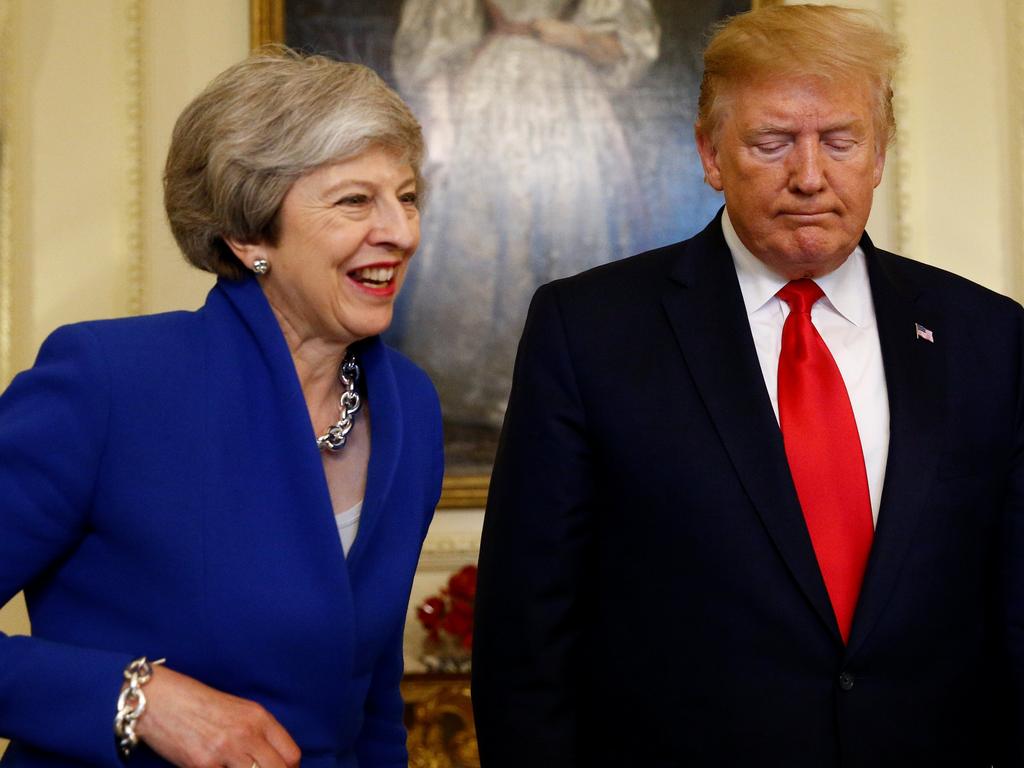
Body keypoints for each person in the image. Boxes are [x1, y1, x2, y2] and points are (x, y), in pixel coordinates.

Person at [472, 5, 1024, 766]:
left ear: (880, 153)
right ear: (709, 153)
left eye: (840, 141)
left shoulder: (988, 337)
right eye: (772, 142)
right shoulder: (591, 330)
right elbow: (525, 638)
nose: (808, 176)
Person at [0, 49, 443, 767]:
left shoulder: (411, 406)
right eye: (355, 201)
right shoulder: (110, 383)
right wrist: (136, 699)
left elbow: (373, 699)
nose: (401, 231)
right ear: (249, 235)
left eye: (408, 195)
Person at [390, 0, 660, 432]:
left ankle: (579, 386)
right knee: (487, 231)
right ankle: (484, 385)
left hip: (571, 102)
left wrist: (570, 36)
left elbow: (628, 48)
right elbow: (431, 52)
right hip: (487, 99)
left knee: (574, 228)